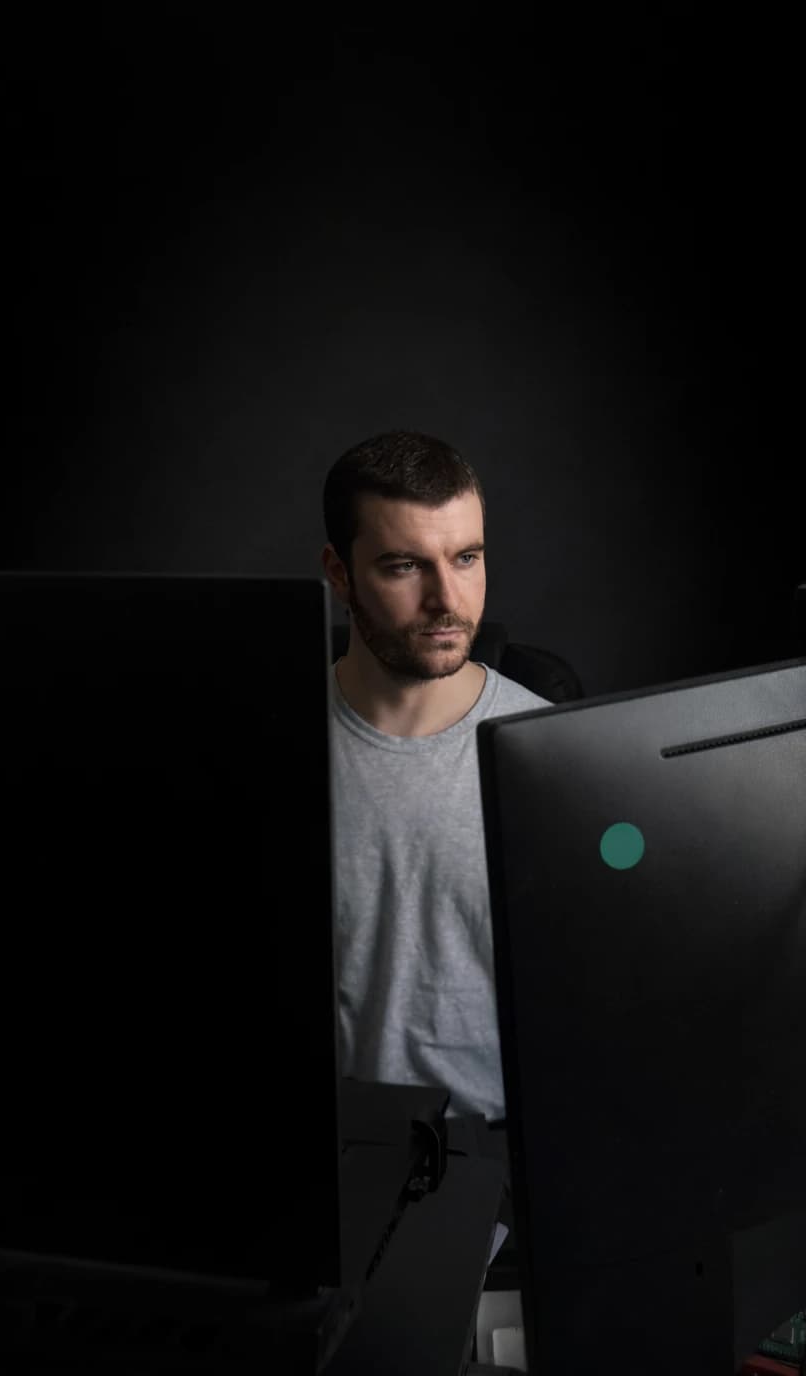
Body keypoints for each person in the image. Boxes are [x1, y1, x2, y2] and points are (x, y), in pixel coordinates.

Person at [321, 429, 552, 1124]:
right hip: (332, 1146)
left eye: (466, 558)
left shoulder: (548, 752)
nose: (446, 599)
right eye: (404, 566)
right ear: (339, 574)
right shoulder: (269, 747)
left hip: (495, 1148)